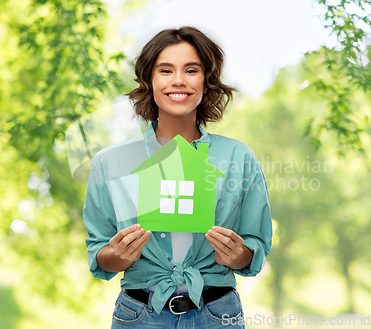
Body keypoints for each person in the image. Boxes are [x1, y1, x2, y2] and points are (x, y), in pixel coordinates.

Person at [83, 26, 272, 328]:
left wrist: (238, 256)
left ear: (207, 81)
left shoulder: (239, 158)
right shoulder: (111, 163)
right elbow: (98, 252)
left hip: (218, 313)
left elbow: (254, 247)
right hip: (140, 315)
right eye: (166, 70)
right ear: (150, 80)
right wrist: (118, 256)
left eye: (191, 70)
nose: (179, 80)